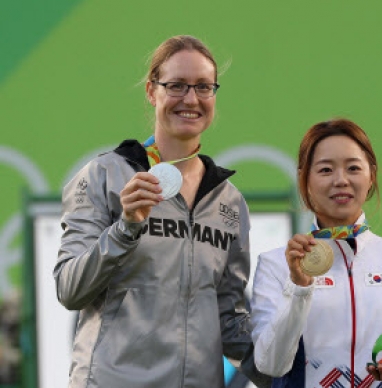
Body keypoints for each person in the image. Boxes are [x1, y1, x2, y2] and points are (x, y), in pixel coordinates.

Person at [55, 35, 255, 388]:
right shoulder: (105, 176)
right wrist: (125, 228)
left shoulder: (229, 201)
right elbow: (70, 290)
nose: (191, 99)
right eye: (176, 85)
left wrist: (297, 372)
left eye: (204, 87)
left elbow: (230, 322)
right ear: (152, 91)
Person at [250, 119, 382, 388]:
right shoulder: (276, 265)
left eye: (353, 168)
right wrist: (299, 288)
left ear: (371, 175)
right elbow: (271, 364)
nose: (341, 180)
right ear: (304, 179)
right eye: (326, 170)